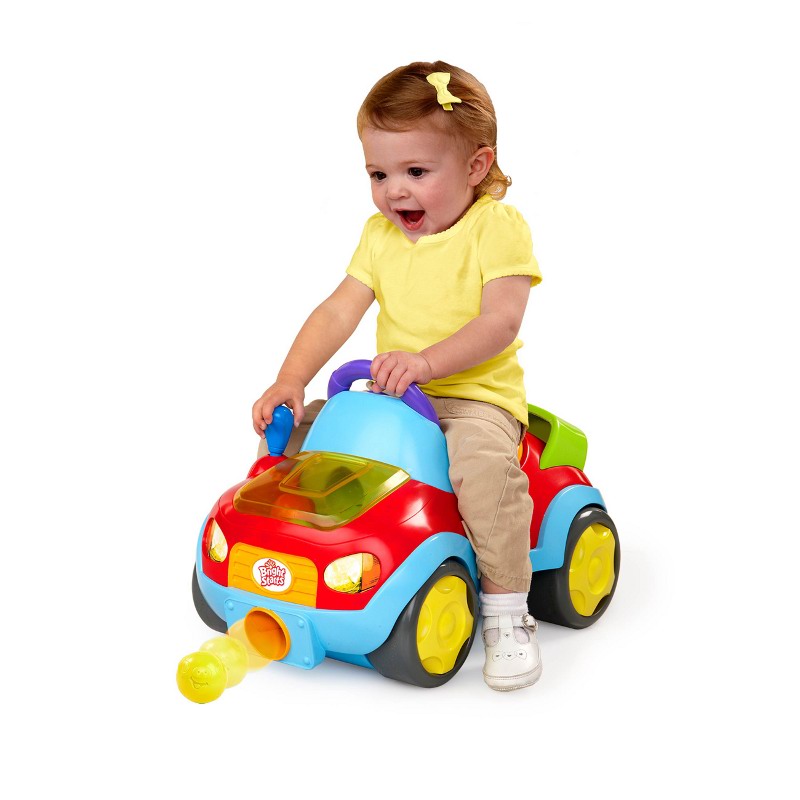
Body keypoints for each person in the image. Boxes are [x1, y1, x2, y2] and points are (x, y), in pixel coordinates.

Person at [252, 61, 543, 691]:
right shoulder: (379, 235)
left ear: (476, 166)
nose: (394, 192)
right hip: (388, 396)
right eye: (378, 175)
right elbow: (338, 311)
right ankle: (286, 558)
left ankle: (506, 612)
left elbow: (501, 321)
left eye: (416, 172)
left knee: (483, 472)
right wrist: (291, 379)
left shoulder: (496, 227)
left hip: (471, 399)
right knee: (297, 439)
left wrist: (428, 362)